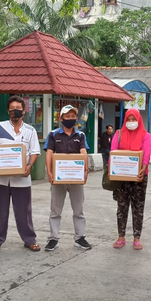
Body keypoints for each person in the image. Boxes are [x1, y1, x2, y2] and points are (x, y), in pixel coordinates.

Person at [0, 96, 41, 254]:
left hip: (21, 178)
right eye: (11, 108)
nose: (14, 110)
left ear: (24, 110)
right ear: (8, 111)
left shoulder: (30, 130)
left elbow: (35, 151)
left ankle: (29, 239)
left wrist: (30, 165)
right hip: (0, 178)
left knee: (24, 211)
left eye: (18, 107)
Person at [44, 105, 91, 251]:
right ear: (61, 118)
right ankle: (53, 238)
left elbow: (83, 153)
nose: (70, 119)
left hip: (76, 179)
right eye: (67, 116)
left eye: (73, 116)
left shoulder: (81, 135)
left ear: (76, 118)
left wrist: (85, 170)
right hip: (59, 179)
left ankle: (80, 237)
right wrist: (49, 172)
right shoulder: (53, 134)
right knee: (55, 210)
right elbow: (49, 153)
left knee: (79, 210)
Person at [110, 109, 151, 250]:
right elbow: (113, 153)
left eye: (134, 119)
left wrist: (143, 168)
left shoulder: (145, 136)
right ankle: (121, 237)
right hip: (121, 177)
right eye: (129, 119)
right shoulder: (119, 134)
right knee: (121, 207)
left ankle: (137, 238)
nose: (131, 122)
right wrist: (112, 170)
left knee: (138, 207)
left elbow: (146, 154)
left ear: (139, 120)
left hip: (139, 176)